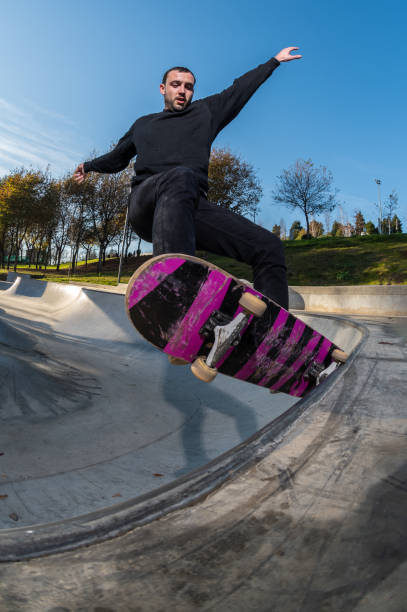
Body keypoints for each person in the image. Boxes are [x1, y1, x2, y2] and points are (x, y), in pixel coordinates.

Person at [74, 47, 302, 309]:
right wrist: (89, 166)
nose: (183, 91)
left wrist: (273, 62)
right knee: (180, 176)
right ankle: (175, 288)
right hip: (146, 204)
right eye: (176, 85)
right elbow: (117, 157)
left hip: (189, 206)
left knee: (269, 247)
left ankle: (272, 331)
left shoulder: (206, 112)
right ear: (163, 89)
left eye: (189, 87)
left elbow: (239, 90)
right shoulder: (143, 124)